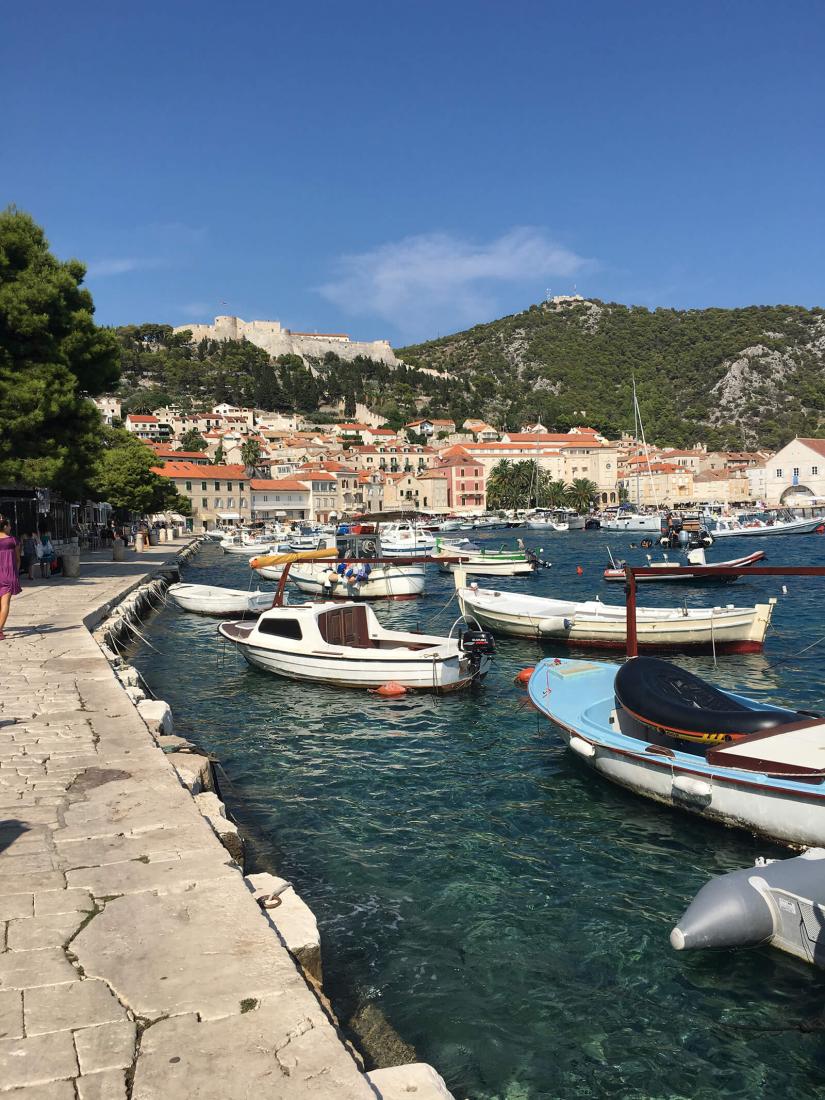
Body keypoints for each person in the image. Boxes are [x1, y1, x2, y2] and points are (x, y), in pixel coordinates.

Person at [0, 519, 22, 639]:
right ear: (4, 527)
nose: (10, 528)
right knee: (5, 604)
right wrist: (16, 572)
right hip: (8, 575)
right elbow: (18, 559)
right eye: (9, 526)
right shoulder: (13, 540)